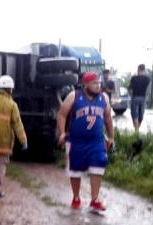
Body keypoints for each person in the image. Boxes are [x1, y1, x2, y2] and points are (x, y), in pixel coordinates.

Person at [57, 72, 114, 212]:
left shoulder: (103, 98)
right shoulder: (74, 96)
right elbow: (62, 114)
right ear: (85, 84)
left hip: (97, 141)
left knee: (99, 165)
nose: (98, 86)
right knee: (75, 170)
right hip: (76, 141)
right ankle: (76, 197)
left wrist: (111, 137)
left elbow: (108, 118)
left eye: (99, 83)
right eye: (94, 83)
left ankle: (95, 199)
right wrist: (62, 132)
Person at [129, 64, 150, 133]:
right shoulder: (147, 79)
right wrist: (146, 96)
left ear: (138, 69)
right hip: (143, 97)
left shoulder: (134, 78)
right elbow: (148, 90)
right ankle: (137, 130)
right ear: (144, 70)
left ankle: (136, 131)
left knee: (134, 114)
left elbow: (131, 90)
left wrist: (131, 96)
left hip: (135, 97)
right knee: (141, 114)